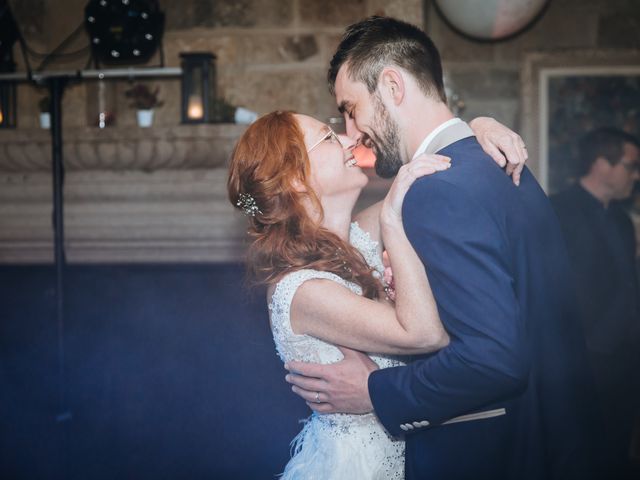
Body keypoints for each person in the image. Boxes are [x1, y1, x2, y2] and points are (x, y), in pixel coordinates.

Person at [284, 16, 599, 480]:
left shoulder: (441, 188)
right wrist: (479, 124)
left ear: (392, 85)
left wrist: (376, 391)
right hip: (553, 436)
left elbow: (492, 358)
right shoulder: (496, 161)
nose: (353, 133)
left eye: (351, 110)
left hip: (498, 454)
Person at [227, 110, 525, 478]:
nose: (350, 141)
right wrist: (393, 224)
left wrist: (478, 126)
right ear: (295, 179)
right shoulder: (302, 290)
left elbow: (440, 166)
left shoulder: (356, 236)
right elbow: (424, 334)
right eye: (329, 138)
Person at [551, 127, 640, 480]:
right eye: (631, 165)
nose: (636, 175)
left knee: (616, 453)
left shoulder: (620, 218)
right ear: (603, 164)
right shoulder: (557, 210)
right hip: (579, 361)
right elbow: (550, 286)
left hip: (626, 358)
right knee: (578, 457)